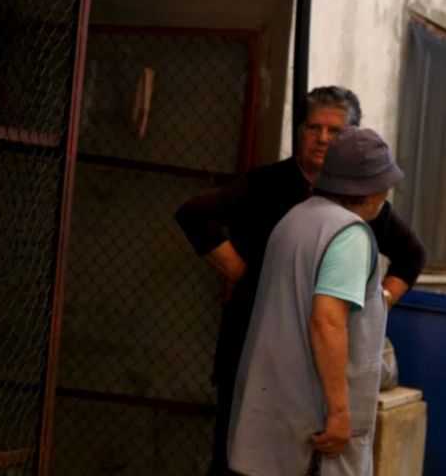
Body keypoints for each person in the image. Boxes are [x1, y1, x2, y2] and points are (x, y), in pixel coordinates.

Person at [174, 86, 425, 475]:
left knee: (257, 456)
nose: (323, 138)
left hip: (290, 368)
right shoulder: (340, 228)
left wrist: (378, 302)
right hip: (275, 357)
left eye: (335, 131)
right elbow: (326, 320)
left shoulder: (305, 215)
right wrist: (246, 278)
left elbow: (411, 256)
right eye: (314, 128)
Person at [227, 127, 402, 475]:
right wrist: (339, 413)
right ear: (371, 188)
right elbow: (327, 321)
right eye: (384, 184)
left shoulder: (297, 218)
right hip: (314, 433)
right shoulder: (349, 235)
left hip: (273, 420)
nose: (386, 193)